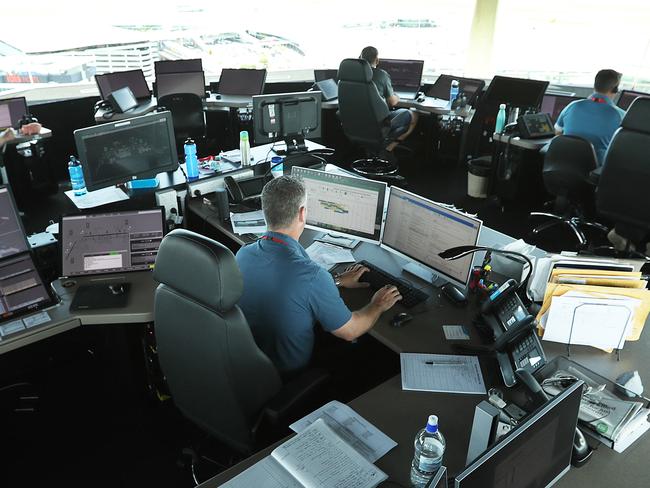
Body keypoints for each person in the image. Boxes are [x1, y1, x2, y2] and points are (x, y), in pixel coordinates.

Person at [236, 175, 402, 374]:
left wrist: (337, 281)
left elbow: (292, 288)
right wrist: (378, 304)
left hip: (250, 362)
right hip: (288, 374)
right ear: (302, 213)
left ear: (265, 211)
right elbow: (351, 331)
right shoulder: (312, 276)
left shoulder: (243, 254)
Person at [555, 69, 626, 166]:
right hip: (594, 173)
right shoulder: (621, 115)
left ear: (595, 85)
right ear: (615, 89)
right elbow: (623, 148)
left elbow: (557, 132)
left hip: (561, 166)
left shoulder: (572, 106)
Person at [360, 46, 418, 152]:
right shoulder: (382, 74)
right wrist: (397, 96)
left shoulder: (351, 75)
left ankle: (378, 149)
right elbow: (392, 102)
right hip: (377, 124)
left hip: (356, 123)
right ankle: (389, 148)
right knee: (414, 115)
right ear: (377, 60)